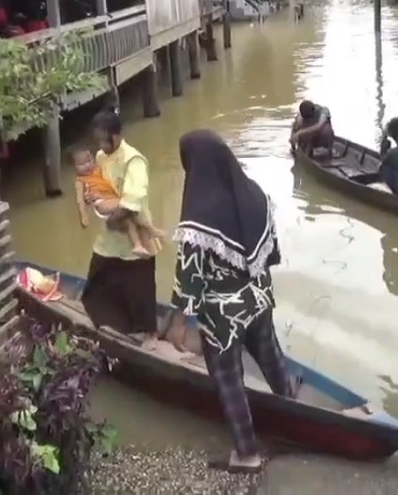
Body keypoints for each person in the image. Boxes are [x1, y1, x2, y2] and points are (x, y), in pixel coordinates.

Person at [161, 130, 294, 474]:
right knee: (272, 359)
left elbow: (189, 278)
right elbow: (271, 251)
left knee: (229, 380)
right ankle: (293, 423)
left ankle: (247, 454)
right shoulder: (255, 195)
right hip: (260, 298)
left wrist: (178, 320)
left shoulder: (198, 214)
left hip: (223, 316)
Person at [79, 110, 159, 342]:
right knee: (96, 286)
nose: (102, 144)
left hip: (135, 235)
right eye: (98, 139)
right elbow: (98, 186)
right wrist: (90, 196)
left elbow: (133, 199)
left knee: (139, 294)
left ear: (117, 135)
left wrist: (115, 217)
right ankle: (113, 327)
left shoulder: (133, 160)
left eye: (105, 138)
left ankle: (146, 336)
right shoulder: (102, 157)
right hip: (110, 236)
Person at [72, 147, 166, 258]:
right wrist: (84, 216)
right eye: (82, 165)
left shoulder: (98, 168)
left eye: (89, 161)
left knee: (129, 219)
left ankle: (138, 245)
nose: (87, 166)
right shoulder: (80, 181)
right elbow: (80, 200)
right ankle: (150, 229)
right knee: (130, 206)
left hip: (111, 198)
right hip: (101, 202)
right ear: (75, 168)